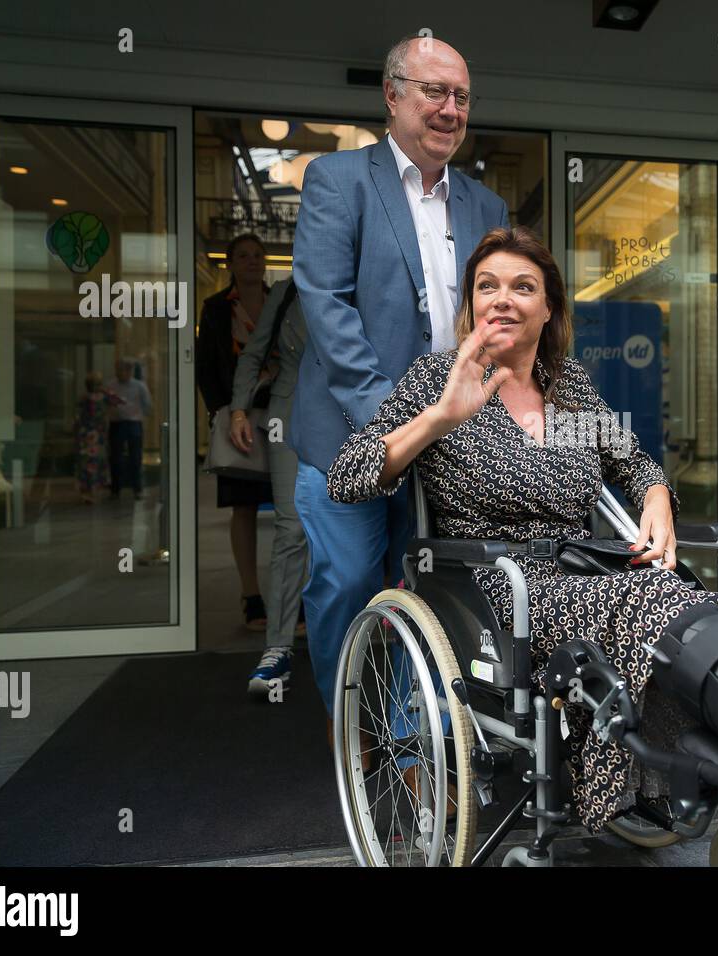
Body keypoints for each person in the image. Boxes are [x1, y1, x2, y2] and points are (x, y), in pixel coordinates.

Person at [327, 227, 718, 867]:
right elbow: (347, 476)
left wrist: (657, 497)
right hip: (500, 585)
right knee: (671, 621)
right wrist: (440, 417)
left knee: (702, 631)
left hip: (593, 571)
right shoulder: (440, 377)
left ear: (548, 308)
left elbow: (632, 462)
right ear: (469, 304)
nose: (503, 298)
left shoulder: (566, 386)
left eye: (523, 286)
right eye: (487, 285)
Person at [291, 34, 510, 742]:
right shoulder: (337, 179)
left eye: (462, 97)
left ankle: (415, 745)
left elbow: (498, 319)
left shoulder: (486, 206)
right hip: (349, 439)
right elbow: (326, 303)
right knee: (350, 586)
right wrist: (388, 424)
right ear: (392, 97)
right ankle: (351, 728)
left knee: (436, 592)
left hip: (451, 445)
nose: (450, 109)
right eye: (433, 92)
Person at [230, 276, 311, 693]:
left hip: (352, 416)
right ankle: (278, 647)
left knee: (354, 528)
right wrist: (240, 409)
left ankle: (355, 639)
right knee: (291, 528)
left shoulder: (362, 275)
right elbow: (254, 353)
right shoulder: (286, 293)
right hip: (288, 414)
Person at [196, 233, 274, 631]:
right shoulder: (214, 309)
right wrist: (221, 413)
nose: (252, 261)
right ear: (230, 264)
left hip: (279, 416)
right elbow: (206, 368)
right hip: (238, 418)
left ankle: (287, 594)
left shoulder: (283, 303)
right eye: (243, 256)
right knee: (243, 506)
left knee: (290, 512)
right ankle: (251, 595)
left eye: (257, 255)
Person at [104, 357, 152, 501]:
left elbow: (148, 405)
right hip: (116, 424)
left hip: (133, 423)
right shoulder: (111, 385)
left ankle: (137, 489)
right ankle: (115, 489)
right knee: (115, 458)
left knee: (135, 457)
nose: (120, 373)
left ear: (130, 371)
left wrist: (138, 413)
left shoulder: (139, 386)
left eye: (123, 370)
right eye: (118, 370)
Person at [75, 370, 111, 504]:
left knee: (87, 462)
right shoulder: (102, 398)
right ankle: (92, 490)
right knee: (94, 462)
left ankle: (88, 491)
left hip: (88, 434)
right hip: (96, 434)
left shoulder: (84, 398)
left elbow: (77, 417)